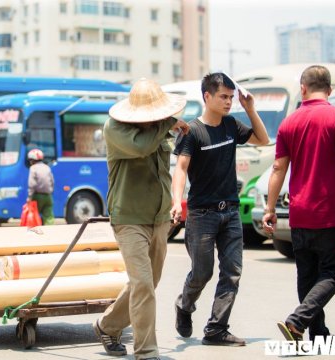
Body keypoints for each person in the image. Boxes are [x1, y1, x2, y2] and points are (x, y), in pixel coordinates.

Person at [92, 77, 189, 360]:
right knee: (144, 283)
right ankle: (147, 352)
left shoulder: (161, 129)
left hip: (158, 217)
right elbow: (141, 147)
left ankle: (107, 325)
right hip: (129, 218)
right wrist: (168, 123)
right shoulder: (115, 128)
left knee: (146, 282)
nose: (156, 120)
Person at [171, 72, 269, 346]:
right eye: (223, 97)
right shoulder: (192, 131)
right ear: (207, 97)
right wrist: (177, 202)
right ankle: (185, 304)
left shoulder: (231, 125)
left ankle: (216, 328)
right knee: (202, 272)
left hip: (231, 212)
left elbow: (262, 140)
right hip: (202, 214)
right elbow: (180, 168)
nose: (228, 102)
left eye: (230, 97)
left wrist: (250, 109)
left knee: (232, 272)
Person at [262, 65, 335, 343]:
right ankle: (297, 321)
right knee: (334, 273)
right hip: (331, 213)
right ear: (330, 90)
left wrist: (270, 208)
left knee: (308, 276)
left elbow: (278, 168)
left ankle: (317, 334)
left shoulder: (289, 123)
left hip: (298, 213)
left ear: (302, 89)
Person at [27, 148, 55, 225]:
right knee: (49, 217)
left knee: (35, 216)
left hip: (37, 196)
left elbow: (31, 184)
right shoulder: (47, 167)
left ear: (32, 160)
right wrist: (50, 192)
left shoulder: (33, 168)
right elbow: (52, 181)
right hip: (48, 196)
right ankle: (50, 232)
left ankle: (37, 233)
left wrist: (29, 197)